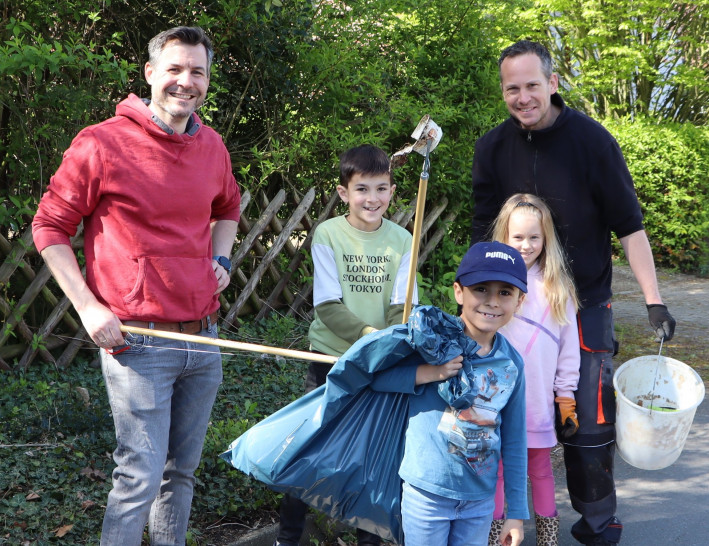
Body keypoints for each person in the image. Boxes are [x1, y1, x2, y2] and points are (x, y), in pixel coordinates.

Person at [31, 26, 241, 545]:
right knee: (139, 478)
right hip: (138, 342)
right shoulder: (101, 143)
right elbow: (49, 226)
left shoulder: (212, 146)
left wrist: (222, 258)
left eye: (197, 71)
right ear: (150, 74)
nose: (185, 81)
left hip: (204, 337)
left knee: (181, 474)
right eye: (174, 68)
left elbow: (228, 207)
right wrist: (87, 307)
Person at [470, 40, 677, 545]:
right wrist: (477, 306)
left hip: (583, 308)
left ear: (553, 83)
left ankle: (599, 523)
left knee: (587, 425)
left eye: (531, 86)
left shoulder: (592, 142)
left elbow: (630, 228)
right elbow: (482, 236)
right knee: (500, 421)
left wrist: (653, 299)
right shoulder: (492, 148)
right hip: (516, 310)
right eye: (511, 89)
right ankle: (503, 523)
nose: (522, 97)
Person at [275, 144, 415, 546]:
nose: (373, 199)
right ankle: (287, 538)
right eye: (362, 189)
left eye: (382, 188)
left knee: (370, 459)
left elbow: (400, 307)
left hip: (378, 365)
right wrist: (372, 338)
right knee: (310, 450)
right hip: (329, 360)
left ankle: (367, 541)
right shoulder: (328, 234)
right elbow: (328, 307)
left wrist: (390, 343)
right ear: (343, 193)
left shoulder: (402, 240)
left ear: (392, 190)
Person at [370, 241, 529, 546]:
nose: (492, 301)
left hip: (480, 502)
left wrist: (516, 513)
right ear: (459, 292)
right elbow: (378, 378)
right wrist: (433, 373)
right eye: (481, 289)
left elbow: (515, 440)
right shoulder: (430, 340)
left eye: (505, 293)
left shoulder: (512, 364)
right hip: (426, 495)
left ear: (519, 301)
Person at [487, 194, 580, 546]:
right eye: (517, 237)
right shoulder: (492, 284)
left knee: (539, 470)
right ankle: (496, 538)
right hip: (495, 398)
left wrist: (566, 396)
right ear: (503, 236)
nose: (526, 246)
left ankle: (547, 539)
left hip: (538, 400)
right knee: (495, 471)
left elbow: (568, 350)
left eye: (534, 238)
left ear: (546, 239)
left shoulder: (558, 289)